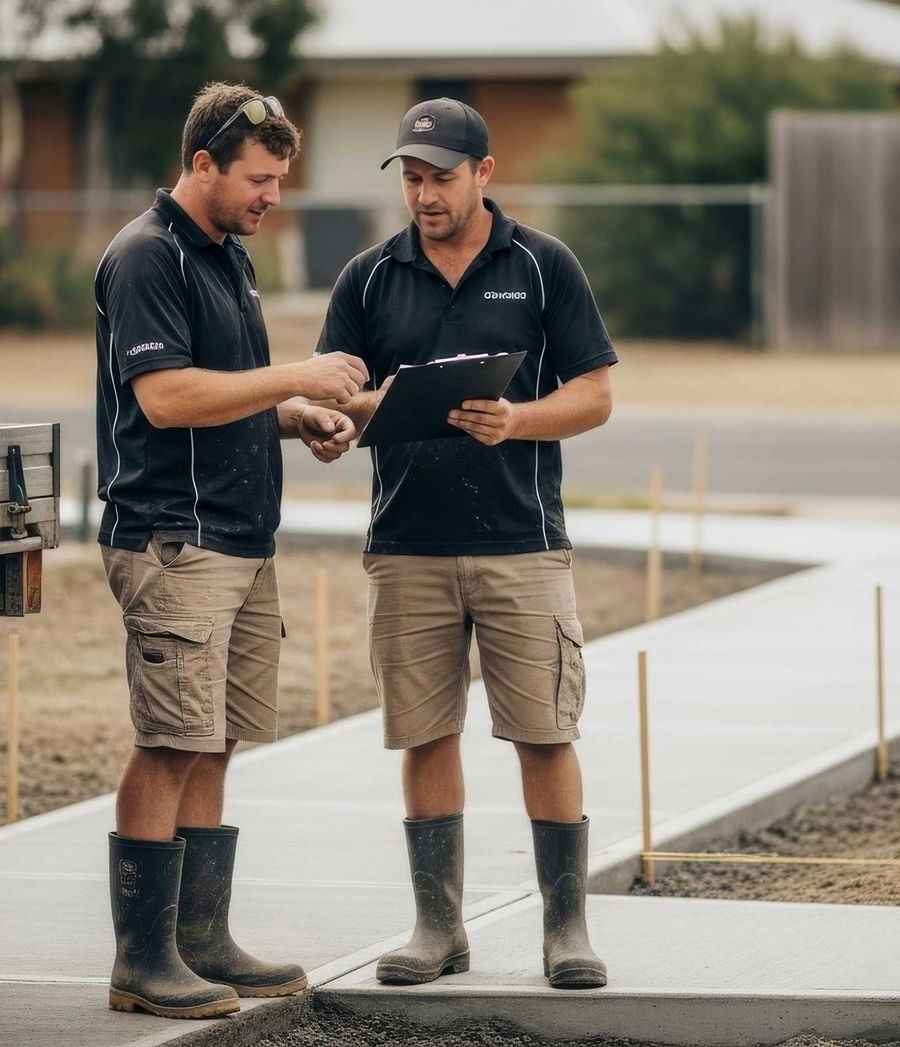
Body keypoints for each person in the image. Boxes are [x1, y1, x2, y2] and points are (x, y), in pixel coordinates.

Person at [318, 98, 616, 990]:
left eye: (440, 177)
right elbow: (339, 391)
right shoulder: (368, 279)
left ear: (485, 173)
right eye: (410, 178)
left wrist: (517, 417)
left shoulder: (542, 265)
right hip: (406, 545)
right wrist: (347, 416)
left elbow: (595, 394)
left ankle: (566, 929)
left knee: (545, 733)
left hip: (522, 545)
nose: (423, 194)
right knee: (425, 733)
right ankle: (437, 928)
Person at [92, 82, 368, 1019]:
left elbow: (228, 395)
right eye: (258, 177)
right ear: (201, 162)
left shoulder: (227, 256)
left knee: (216, 735)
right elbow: (166, 399)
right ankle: (143, 959)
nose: (272, 196)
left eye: (281, 179)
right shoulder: (145, 257)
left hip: (243, 538)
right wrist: (295, 370)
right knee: (170, 740)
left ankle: (200, 939)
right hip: (177, 540)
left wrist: (294, 414)